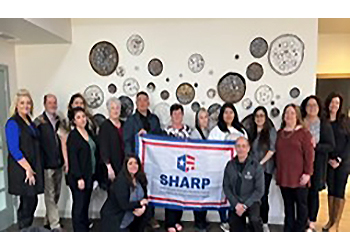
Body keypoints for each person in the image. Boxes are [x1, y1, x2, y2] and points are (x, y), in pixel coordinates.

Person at [5, 89, 44, 230]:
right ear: (16, 105)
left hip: (32, 167)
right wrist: (28, 169)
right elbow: (14, 149)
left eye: (28, 103)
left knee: (32, 201)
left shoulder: (29, 121)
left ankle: (27, 231)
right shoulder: (12, 123)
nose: (25, 106)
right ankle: (23, 233)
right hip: (22, 169)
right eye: (22, 103)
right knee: (27, 203)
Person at [123, 91, 163, 229]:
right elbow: (127, 140)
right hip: (137, 161)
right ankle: (136, 215)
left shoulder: (154, 119)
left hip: (153, 161)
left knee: (151, 187)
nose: (142, 103)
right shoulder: (131, 120)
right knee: (138, 189)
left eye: (144, 100)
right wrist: (131, 161)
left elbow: (159, 138)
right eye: (139, 100)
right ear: (136, 103)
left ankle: (150, 216)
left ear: (148, 102)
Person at [208, 102, 248, 232]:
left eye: (231, 112)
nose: (229, 115)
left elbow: (245, 148)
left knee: (236, 192)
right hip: (220, 168)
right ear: (222, 115)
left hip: (238, 168)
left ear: (235, 114)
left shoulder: (241, 131)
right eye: (226, 112)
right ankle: (223, 221)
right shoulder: (216, 131)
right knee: (222, 193)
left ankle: (234, 220)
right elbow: (209, 150)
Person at [275, 104, 314, 232]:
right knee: (288, 207)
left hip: (300, 177)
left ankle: (299, 231)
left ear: (297, 116)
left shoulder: (304, 133)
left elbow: (309, 155)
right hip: (284, 176)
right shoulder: (280, 133)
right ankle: (288, 230)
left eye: (292, 113)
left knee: (302, 207)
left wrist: (308, 173)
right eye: (287, 113)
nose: (289, 116)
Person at [300, 95, 335, 232]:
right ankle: (302, 220)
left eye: (314, 105)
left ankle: (312, 222)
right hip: (300, 164)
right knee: (301, 194)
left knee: (313, 193)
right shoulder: (301, 122)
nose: (312, 108)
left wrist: (316, 146)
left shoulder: (324, 124)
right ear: (305, 107)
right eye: (309, 105)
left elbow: (331, 146)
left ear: (319, 108)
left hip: (317, 164)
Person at [34, 94, 65, 231]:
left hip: (59, 163)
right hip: (46, 164)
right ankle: (55, 225)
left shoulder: (60, 121)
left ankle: (48, 220)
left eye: (54, 102)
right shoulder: (39, 122)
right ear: (44, 104)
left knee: (56, 194)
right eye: (50, 102)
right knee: (50, 195)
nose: (53, 105)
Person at [66, 107, 99, 232]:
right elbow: (73, 159)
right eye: (78, 117)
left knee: (85, 205)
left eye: (83, 116)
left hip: (89, 175)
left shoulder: (89, 133)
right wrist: (79, 177)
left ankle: (84, 229)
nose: (82, 119)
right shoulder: (73, 136)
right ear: (74, 121)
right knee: (79, 206)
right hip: (78, 177)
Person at [223, 136, 264, 232]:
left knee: (254, 220)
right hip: (236, 202)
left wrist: (245, 205)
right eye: (238, 146)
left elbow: (259, 190)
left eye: (243, 146)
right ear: (235, 148)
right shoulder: (230, 165)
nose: (241, 149)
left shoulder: (256, 166)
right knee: (234, 225)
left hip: (252, 202)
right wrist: (236, 204)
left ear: (248, 148)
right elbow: (226, 187)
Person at [100, 154, 150, 232]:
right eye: (130, 163)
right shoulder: (121, 181)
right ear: (125, 166)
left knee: (148, 211)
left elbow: (145, 198)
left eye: (136, 163)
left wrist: (143, 208)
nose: (133, 166)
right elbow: (124, 205)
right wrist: (139, 204)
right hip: (115, 218)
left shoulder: (140, 178)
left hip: (131, 215)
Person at [322, 93, 350, 232]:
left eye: (337, 103)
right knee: (331, 190)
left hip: (343, 163)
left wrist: (339, 159)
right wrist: (328, 159)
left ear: (340, 105)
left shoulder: (345, 121)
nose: (334, 105)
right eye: (332, 102)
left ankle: (336, 224)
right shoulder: (324, 121)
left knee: (339, 191)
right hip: (328, 162)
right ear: (328, 104)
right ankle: (330, 221)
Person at [249, 106, 277, 232]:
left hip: (265, 169)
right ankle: (253, 222)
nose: (259, 118)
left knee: (263, 196)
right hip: (252, 170)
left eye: (262, 115)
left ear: (265, 118)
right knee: (252, 196)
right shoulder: (252, 132)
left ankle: (264, 223)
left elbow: (272, 150)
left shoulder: (270, 131)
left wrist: (260, 163)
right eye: (257, 116)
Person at [164, 103, 192, 232]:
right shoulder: (165, 131)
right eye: (174, 114)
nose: (177, 116)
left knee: (181, 194)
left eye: (179, 113)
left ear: (182, 115)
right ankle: (169, 223)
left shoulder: (189, 131)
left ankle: (177, 220)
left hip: (184, 167)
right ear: (171, 116)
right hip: (170, 168)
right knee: (170, 194)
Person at [189, 108, 210, 232]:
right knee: (197, 197)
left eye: (206, 117)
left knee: (205, 196)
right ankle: (198, 222)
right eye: (201, 117)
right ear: (197, 120)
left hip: (206, 169)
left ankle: (203, 219)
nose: (204, 120)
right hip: (197, 169)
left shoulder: (208, 132)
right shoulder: (194, 133)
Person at [98, 97, 125, 189]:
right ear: (109, 110)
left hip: (124, 165)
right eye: (113, 108)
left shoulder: (124, 124)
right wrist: (108, 167)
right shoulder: (105, 126)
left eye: (117, 108)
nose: (115, 110)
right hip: (111, 166)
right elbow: (103, 148)